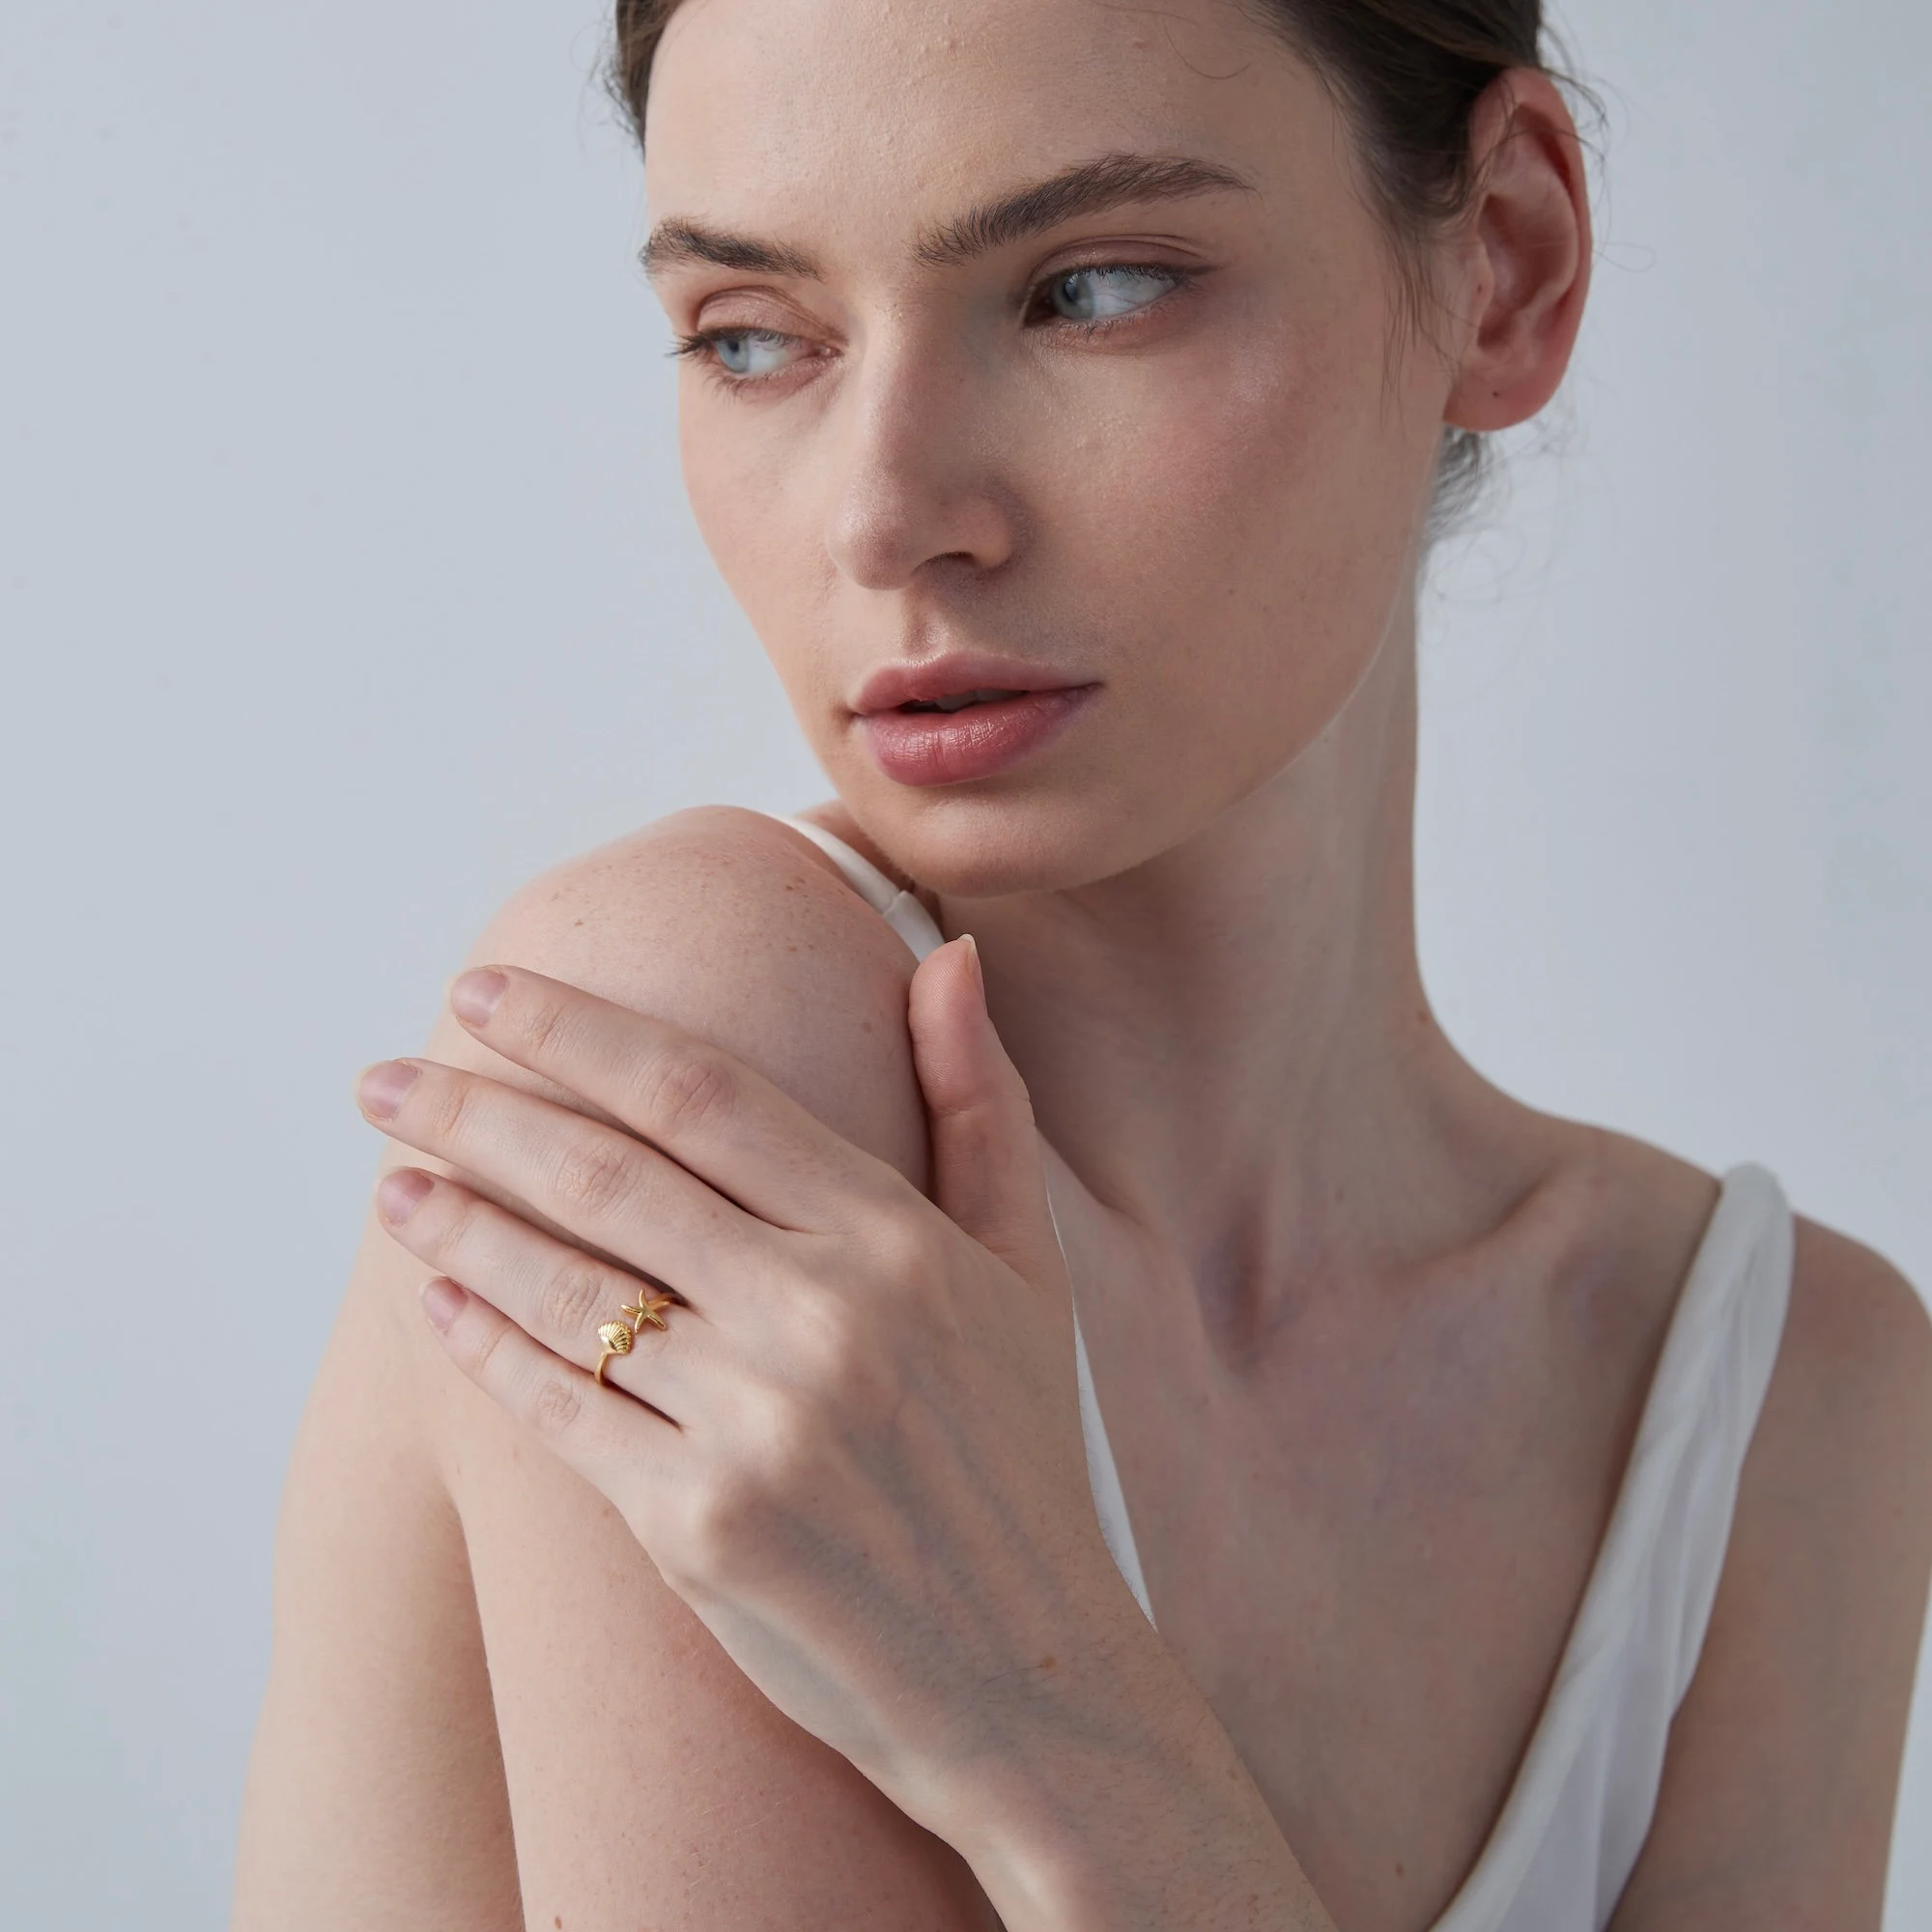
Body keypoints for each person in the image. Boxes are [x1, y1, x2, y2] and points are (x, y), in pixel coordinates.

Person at [231, 2, 1932, 1927]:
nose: (883, 515)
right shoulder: (707, 1058)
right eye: (752, 335)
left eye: (1093, 289)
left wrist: (1050, 1723)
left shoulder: (1771, 1388)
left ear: (1508, 268)